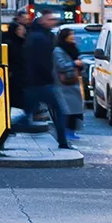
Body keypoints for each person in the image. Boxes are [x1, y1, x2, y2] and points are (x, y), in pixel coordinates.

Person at [21, 10, 70, 149]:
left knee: (28, 115)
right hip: (41, 82)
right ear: (42, 20)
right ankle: (63, 142)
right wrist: (49, 78)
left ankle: (6, 132)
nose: (53, 22)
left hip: (34, 82)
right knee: (60, 111)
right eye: (50, 19)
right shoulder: (40, 38)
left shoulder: (37, 35)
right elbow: (41, 62)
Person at [53, 24, 84, 139]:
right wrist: (73, 64)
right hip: (63, 84)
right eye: (70, 35)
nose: (73, 36)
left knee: (75, 108)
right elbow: (60, 65)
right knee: (66, 109)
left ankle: (71, 131)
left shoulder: (73, 48)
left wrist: (80, 65)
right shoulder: (58, 50)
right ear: (64, 37)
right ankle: (65, 132)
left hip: (73, 82)